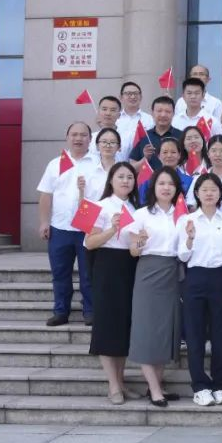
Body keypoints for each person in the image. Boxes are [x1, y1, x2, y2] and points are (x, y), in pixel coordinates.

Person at [124, 166, 185, 407]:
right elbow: (133, 251)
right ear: (153, 187)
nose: (166, 188)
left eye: (170, 183)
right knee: (147, 330)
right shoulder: (141, 214)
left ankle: (156, 386)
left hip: (173, 272)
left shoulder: (183, 215)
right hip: (149, 272)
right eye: (161, 183)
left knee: (165, 331)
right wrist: (140, 242)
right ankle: (155, 389)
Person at [177, 174, 222, 407]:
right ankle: (200, 386)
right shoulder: (187, 220)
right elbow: (182, 256)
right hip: (195, 276)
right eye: (204, 189)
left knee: (221, 333)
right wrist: (190, 239)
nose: (209, 193)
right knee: (195, 334)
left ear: (220, 193)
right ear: (197, 194)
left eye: (214, 189)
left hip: (220, 276)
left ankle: (220, 385)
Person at [83, 161, 140, 405]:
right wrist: (112, 229)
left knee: (123, 325)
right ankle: (113, 385)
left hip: (129, 266)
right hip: (106, 266)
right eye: (121, 177)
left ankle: (121, 381)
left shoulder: (137, 208)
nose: (126, 181)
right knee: (107, 324)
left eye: (130, 177)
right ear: (111, 180)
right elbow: (89, 242)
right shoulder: (98, 205)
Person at [37, 121, 97, 327]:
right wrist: (44, 222)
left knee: (88, 274)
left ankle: (90, 311)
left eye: (83, 135)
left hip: (87, 229)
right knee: (60, 272)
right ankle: (61, 311)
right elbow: (46, 195)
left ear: (90, 139)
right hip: (59, 228)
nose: (78, 138)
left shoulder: (97, 163)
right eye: (74, 134)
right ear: (67, 137)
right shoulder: (55, 164)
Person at [129, 96, 181, 171]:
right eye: (159, 111)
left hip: (174, 178)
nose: (163, 115)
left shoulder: (181, 136)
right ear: (152, 113)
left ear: (173, 113)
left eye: (167, 112)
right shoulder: (143, 136)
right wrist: (145, 158)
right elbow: (132, 168)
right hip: (148, 178)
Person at [84, 127, 124, 202]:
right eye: (104, 142)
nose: (108, 145)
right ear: (97, 146)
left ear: (119, 147)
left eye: (112, 142)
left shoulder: (125, 172)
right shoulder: (89, 172)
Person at [90, 96, 130, 162]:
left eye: (113, 110)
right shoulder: (91, 138)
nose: (108, 113)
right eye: (104, 109)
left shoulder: (128, 137)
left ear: (119, 115)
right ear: (98, 112)